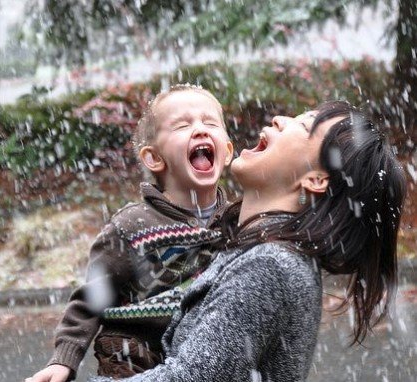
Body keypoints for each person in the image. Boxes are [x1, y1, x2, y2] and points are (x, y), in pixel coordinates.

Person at [89, 100, 406, 382]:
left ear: (316, 179)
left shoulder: (270, 267)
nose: (281, 119)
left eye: (304, 125)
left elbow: (189, 376)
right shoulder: (263, 253)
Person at [26, 84, 234, 382]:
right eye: (183, 125)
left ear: (226, 151)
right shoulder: (132, 225)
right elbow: (92, 297)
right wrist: (64, 359)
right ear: (153, 158)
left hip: (200, 348)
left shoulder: (237, 221)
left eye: (210, 122)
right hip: (137, 349)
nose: (200, 129)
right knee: (122, 349)